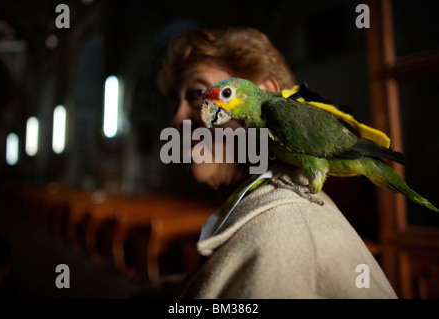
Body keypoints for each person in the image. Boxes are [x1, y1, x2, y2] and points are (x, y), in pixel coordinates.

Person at [157, 27, 397, 298]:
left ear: (266, 92)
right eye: (176, 102)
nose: (177, 119)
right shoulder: (248, 204)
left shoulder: (285, 238)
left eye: (196, 93)